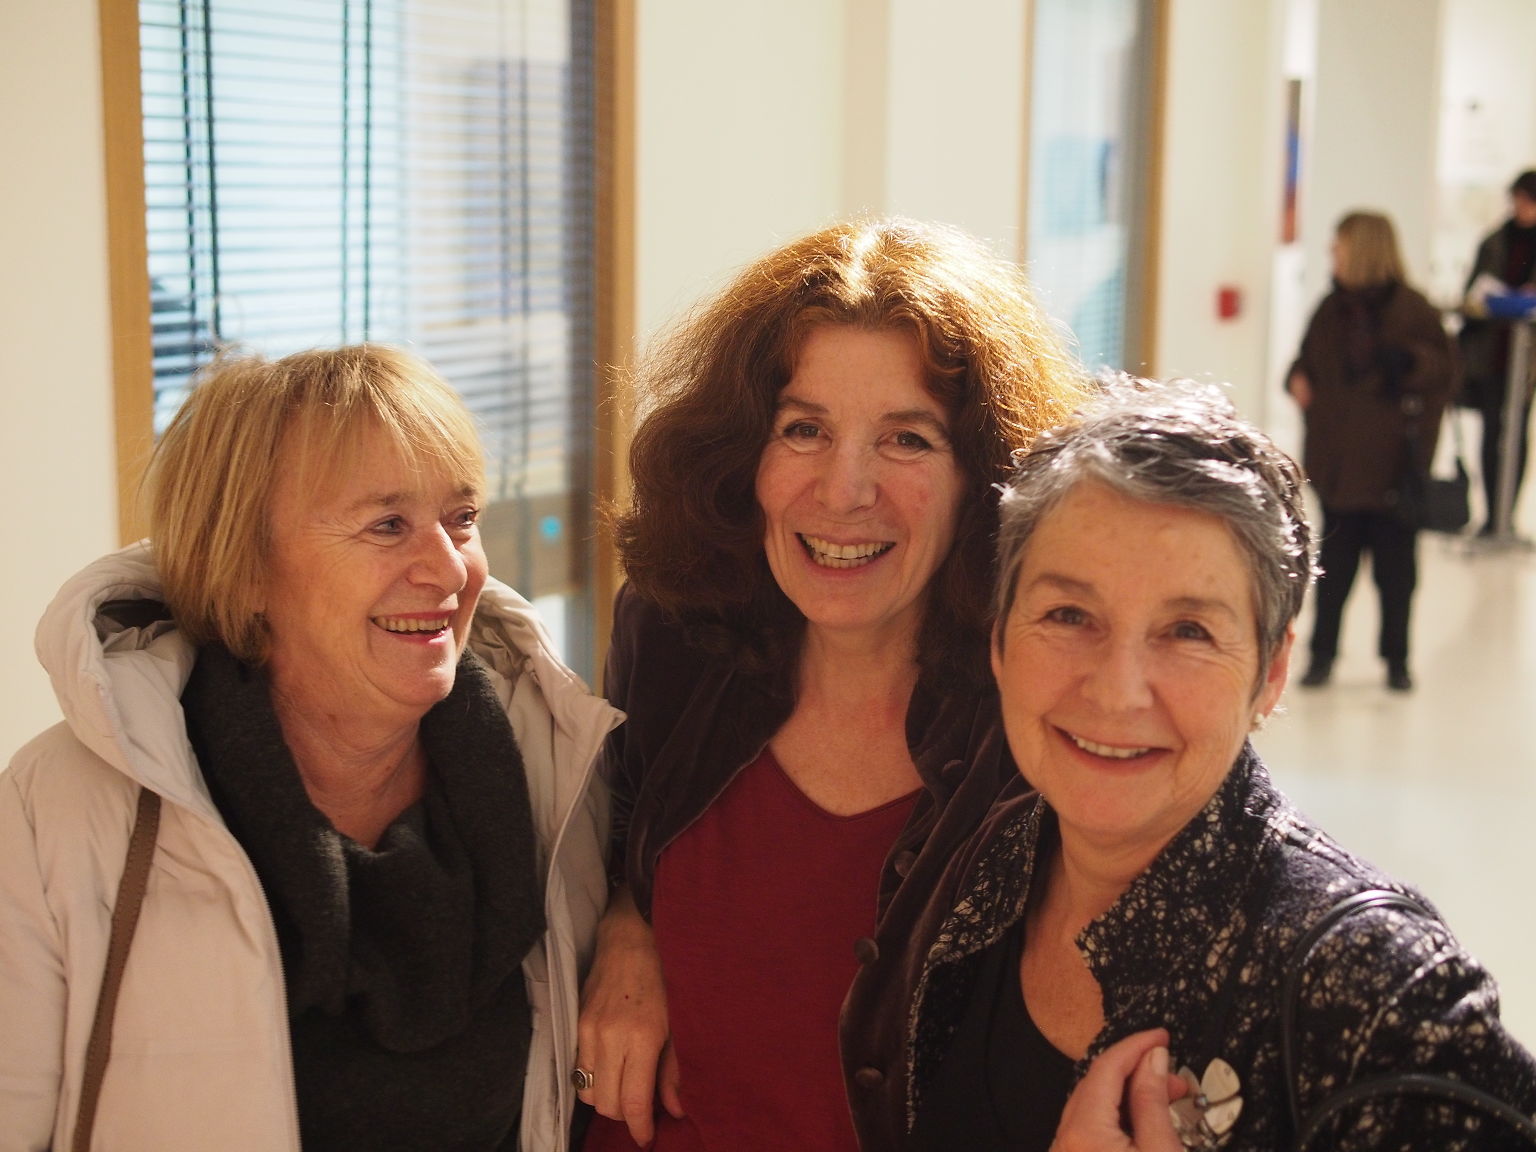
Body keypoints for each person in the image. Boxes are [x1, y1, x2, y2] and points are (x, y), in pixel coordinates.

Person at [0, 346, 621, 1151]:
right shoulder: (61, 808)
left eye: (462, 518)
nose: (447, 569)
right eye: (387, 525)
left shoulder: (557, 768)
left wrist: (636, 930)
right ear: (247, 567)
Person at [901, 379, 1536, 1151]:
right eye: (1069, 615)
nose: (1117, 692)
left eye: (1189, 631)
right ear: (1000, 640)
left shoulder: (1375, 993)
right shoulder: (983, 862)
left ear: (1271, 673)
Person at [574, 216, 1085, 1152]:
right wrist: (625, 925)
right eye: (803, 429)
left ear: (985, 479)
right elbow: (619, 832)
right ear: (744, 456)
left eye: (908, 439)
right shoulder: (677, 636)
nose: (846, 490)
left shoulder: (1040, 714)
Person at [1285, 210, 1456, 692]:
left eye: (1338, 248)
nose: (1331, 256)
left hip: (1392, 471)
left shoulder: (1413, 311)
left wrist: (1409, 362)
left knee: (1396, 577)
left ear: (1361, 251)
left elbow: (1445, 374)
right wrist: (1296, 379)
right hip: (1339, 467)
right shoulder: (1330, 310)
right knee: (1333, 575)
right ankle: (1322, 656)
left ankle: (1397, 660)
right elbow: (1304, 362)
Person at [1460, 169, 1536, 535]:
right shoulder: (1494, 241)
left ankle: (1507, 515)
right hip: (1491, 354)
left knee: (1517, 433)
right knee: (1492, 433)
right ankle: (1492, 515)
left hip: (1526, 359)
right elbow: (1473, 293)